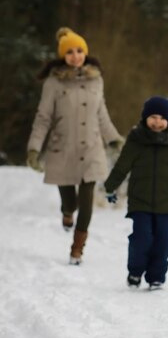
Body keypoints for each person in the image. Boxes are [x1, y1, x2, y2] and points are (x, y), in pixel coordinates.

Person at [26, 27, 123, 265]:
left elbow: (101, 114)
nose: (75, 56)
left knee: (88, 195)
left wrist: (114, 138)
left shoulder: (96, 79)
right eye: (69, 52)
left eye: (79, 50)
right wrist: (34, 148)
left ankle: (77, 248)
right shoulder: (53, 83)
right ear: (63, 56)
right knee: (71, 201)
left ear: (85, 52)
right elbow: (43, 117)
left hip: (91, 147)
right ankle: (67, 212)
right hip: (63, 148)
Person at [104, 96, 168, 290]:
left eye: (162, 118)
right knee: (142, 239)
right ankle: (135, 271)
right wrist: (110, 186)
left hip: (164, 204)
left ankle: (156, 277)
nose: (157, 122)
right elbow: (122, 166)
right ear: (145, 118)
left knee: (163, 242)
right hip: (139, 201)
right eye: (153, 117)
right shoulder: (136, 141)